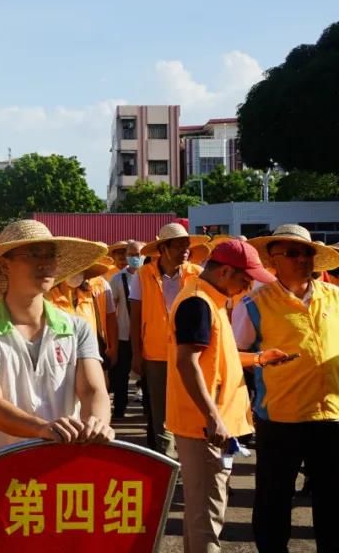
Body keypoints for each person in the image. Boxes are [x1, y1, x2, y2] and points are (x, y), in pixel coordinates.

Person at [0, 220, 115, 551]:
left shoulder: (76, 328)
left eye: (49, 255)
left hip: (67, 470)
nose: (44, 263)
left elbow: (93, 390)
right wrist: (43, 428)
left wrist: (97, 421)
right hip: (2, 472)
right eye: (32, 254)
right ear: (5, 263)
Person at [167, 240, 281, 553]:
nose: (248, 285)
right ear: (226, 271)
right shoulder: (199, 303)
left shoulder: (208, 300)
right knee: (207, 518)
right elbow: (186, 362)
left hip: (208, 426)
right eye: (245, 279)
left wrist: (258, 359)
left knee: (201, 514)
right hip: (205, 429)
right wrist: (212, 418)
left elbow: (218, 357)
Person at [234, 225, 339, 552]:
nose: (302, 259)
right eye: (292, 253)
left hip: (331, 418)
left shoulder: (335, 297)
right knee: (273, 502)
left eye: (307, 252)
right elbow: (232, 355)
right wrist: (262, 358)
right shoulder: (253, 303)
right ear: (273, 261)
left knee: (333, 504)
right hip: (280, 419)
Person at [130, 222, 207, 457]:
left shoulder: (197, 274)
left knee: (192, 408)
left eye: (187, 246)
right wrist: (136, 353)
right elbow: (135, 316)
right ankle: (167, 462)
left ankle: (190, 460)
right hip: (156, 355)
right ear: (163, 248)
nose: (185, 250)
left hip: (193, 354)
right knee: (160, 414)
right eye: (180, 246)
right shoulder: (143, 274)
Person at [109, 240, 145, 419]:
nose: (134, 258)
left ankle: (149, 408)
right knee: (121, 375)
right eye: (131, 254)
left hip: (146, 335)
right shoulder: (117, 279)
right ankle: (119, 408)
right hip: (124, 334)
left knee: (147, 374)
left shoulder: (150, 276)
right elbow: (112, 307)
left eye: (137, 254)